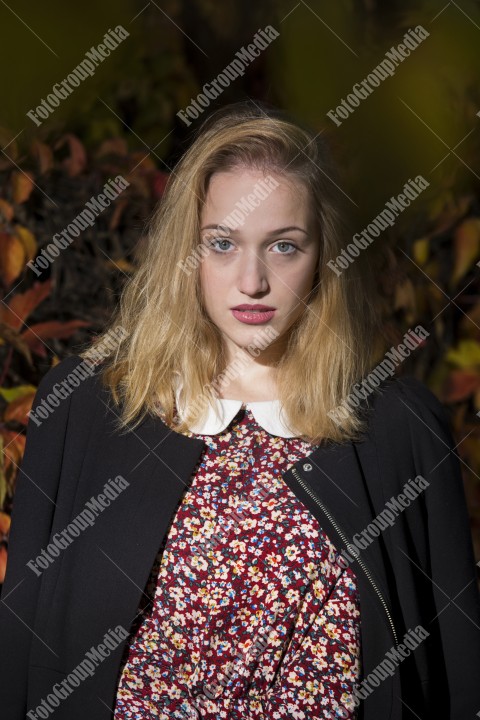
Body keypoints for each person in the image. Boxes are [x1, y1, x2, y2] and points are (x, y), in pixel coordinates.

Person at [0, 101, 479, 720]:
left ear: (324, 256)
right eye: (222, 244)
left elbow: (457, 670)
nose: (251, 281)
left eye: (283, 246)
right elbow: (20, 655)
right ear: (186, 252)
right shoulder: (85, 412)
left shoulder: (398, 426)